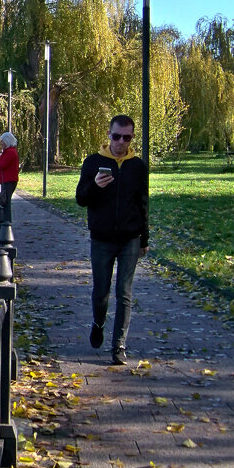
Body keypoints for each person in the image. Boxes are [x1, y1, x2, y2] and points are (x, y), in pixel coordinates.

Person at [75, 115, 149, 366]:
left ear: (132, 138)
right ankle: (98, 323)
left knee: (124, 293)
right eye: (116, 136)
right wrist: (95, 185)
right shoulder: (93, 162)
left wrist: (144, 238)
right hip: (102, 239)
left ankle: (119, 345)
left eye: (126, 138)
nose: (120, 142)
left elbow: (143, 203)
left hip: (130, 238)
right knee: (101, 292)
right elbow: (81, 198)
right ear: (108, 134)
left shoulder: (137, 166)